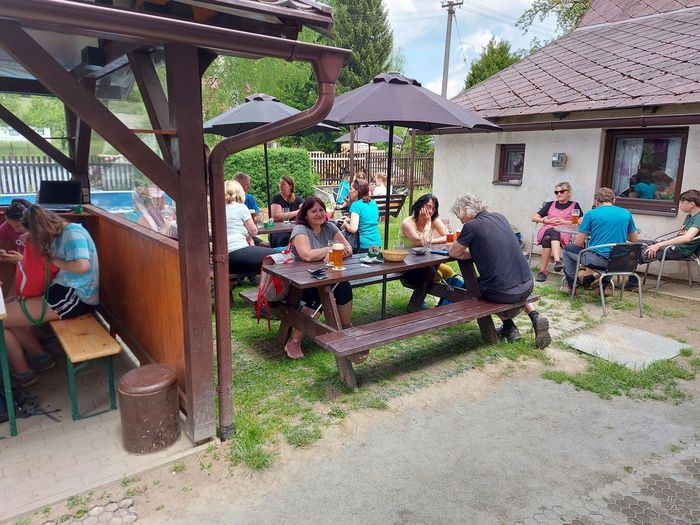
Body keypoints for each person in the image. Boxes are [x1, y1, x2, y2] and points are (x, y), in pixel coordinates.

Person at [2, 205, 99, 387]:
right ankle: (39, 358)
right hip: (61, 291)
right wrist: (32, 238)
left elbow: (82, 266)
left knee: (3, 318)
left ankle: (24, 373)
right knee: (6, 316)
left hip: (75, 296)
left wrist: (50, 260)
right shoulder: (60, 233)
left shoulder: (73, 233)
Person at [448, 193, 550, 349]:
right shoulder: (500, 217)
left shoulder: (471, 226)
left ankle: (509, 326)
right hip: (528, 285)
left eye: (459, 215)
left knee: (475, 288)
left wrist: (472, 252)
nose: (460, 221)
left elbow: (454, 252)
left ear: (467, 209)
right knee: (506, 282)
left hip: (504, 292)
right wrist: (478, 251)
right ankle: (535, 317)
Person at [285, 197, 354, 360]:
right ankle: (295, 340)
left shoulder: (329, 227)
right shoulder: (300, 230)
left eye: (321, 210)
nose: (319, 214)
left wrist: (337, 252)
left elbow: (349, 248)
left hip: (325, 275)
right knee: (318, 293)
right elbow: (307, 255)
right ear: (305, 215)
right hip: (301, 279)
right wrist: (331, 249)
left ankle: (345, 326)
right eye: (313, 211)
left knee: (344, 286)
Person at [562, 187, 639, 293]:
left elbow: (578, 242)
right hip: (620, 262)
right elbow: (635, 240)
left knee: (568, 249)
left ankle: (571, 286)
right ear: (614, 200)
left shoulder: (591, 214)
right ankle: (602, 288)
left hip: (598, 261)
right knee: (612, 255)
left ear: (596, 201)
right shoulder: (626, 214)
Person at [531, 182, 583, 282]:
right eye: (556, 192)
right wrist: (545, 221)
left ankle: (542, 272)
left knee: (548, 238)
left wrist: (565, 222)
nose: (558, 194)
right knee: (552, 231)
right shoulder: (550, 204)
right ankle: (557, 261)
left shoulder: (574, 205)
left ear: (568, 193)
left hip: (564, 232)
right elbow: (534, 217)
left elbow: (580, 220)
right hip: (546, 229)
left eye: (561, 191)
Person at [224, 180, 276, 275]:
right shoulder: (240, 207)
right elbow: (254, 231)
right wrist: (248, 234)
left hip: (225, 258)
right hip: (238, 252)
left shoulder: (218, 208)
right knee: (279, 257)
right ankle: (266, 284)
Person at [639, 189, 700, 262]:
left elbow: (687, 238)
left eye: (682, 203)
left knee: (640, 253)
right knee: (638, 243)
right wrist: (681, 234)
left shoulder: (698, 217)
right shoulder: (689, 216)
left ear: (691, 204)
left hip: (678, 250)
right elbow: (683, 234)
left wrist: (658, 245)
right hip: (673, 246)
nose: (680, 205)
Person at [342, 179, 381, 253]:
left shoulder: (356, 205)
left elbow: (353, 229)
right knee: (374, 260)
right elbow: (366, 220)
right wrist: (350, 220)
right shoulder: (373, 203)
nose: (349, 191)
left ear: (357, 191)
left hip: (363, 246)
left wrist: (346, 224)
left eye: (351, 188)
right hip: (376, 244)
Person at [270, 175, 304, 248]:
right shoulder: (276, 198)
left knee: (301, 236)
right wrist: (297, 212)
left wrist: (285, 215)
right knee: (286, 239)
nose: (280, 186)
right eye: (279, 183)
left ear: (290, 186)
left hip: (293, 229)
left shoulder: (298, 199)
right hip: (278, 230)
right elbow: (276, 216)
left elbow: (305, 210)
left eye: (283, 184)